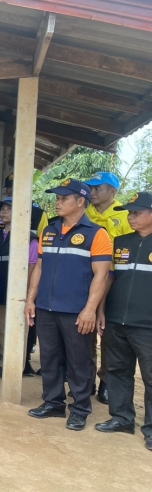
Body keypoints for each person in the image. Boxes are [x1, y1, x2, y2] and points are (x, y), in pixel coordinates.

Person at [25, 179, 112, 431]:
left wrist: (90, 309)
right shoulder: (49, 231)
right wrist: (31, 299)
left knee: (78, 361)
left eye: (64, 198)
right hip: (46, 307)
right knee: (49, 358)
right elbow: (39, 267)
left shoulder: (97, 234)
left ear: (81, 201)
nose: (58, 202)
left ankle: (80, 408)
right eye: (58, 198)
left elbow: (101, 275)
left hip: (76, 311)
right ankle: (53, 402)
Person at [96, 192, 152, 450]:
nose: (131, 217)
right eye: (129, 213)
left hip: (147, 325)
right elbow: (110, 278)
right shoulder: (121, 242)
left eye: (137, 213)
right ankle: (121, 418)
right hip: (117, 320)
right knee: (117, 371)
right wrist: (101, 310)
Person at [84, 171, 134, 403]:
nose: (93, 192)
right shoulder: (85, 213)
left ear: (113, 191)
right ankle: (86, 379)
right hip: (87, 277)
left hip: (115, 281)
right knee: (84, 328)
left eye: (98, 188)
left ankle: (106, 380)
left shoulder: (125, 216)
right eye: (91, 188)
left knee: (108, 333)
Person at [0, 197, 38, 377]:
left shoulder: (30, 238)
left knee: (19, 331)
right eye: (2, 209)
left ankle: (18, 368)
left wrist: (27, 293)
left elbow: (33, 267)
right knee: (1, 329)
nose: (3, 212)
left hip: (20, 294)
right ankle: (5, 364)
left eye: (9, 209)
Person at [84, 172, 133, 240]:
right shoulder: (83, 214)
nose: (91, 193)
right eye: (90, 189)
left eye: (97, 189)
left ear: (112, 192)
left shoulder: (126, 215)